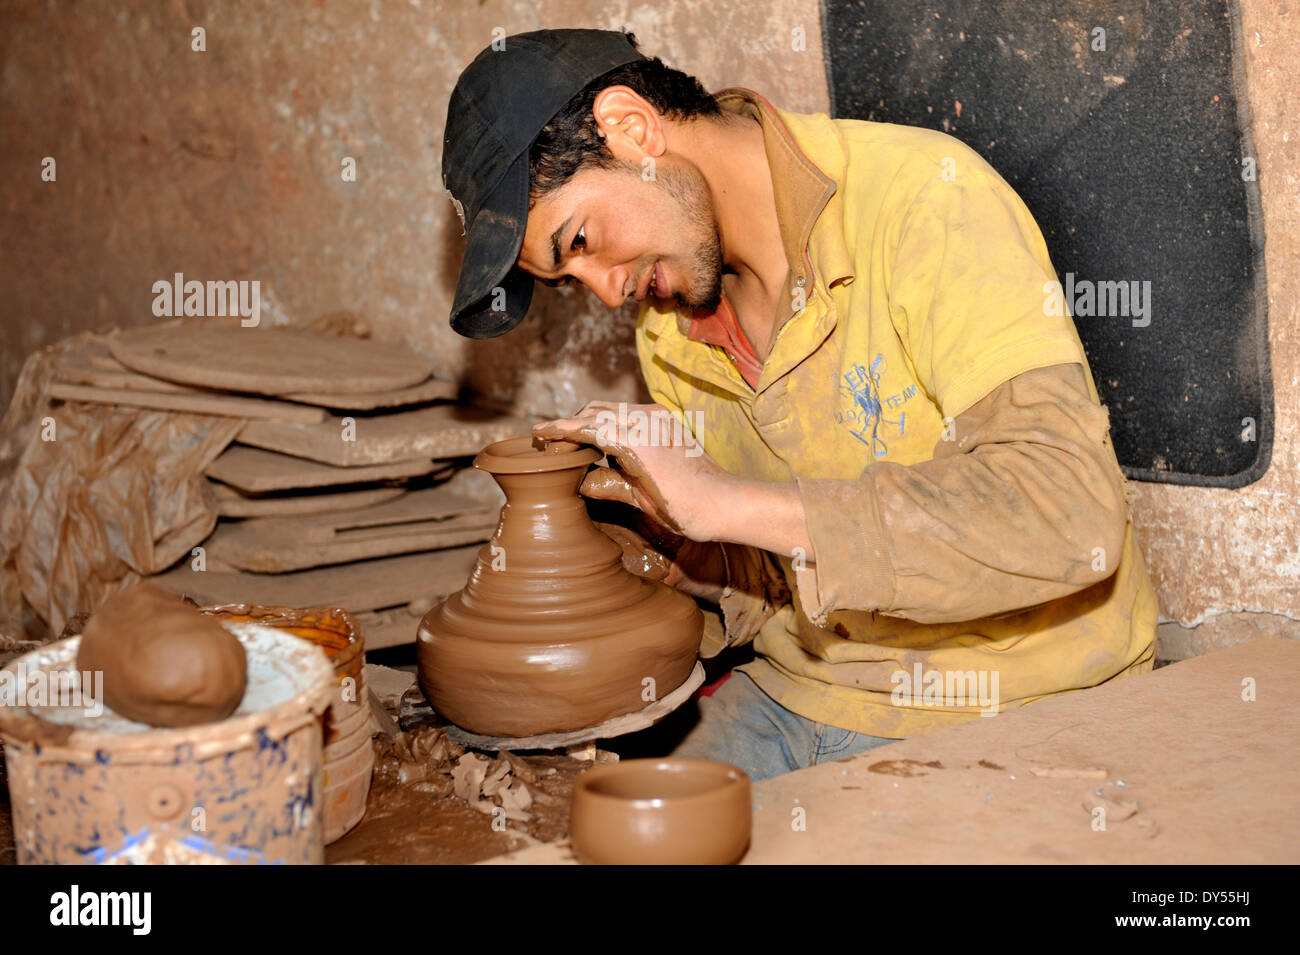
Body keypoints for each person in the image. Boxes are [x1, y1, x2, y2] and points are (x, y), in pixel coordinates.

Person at [441, 28, 1157, 780]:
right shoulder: (669, 326)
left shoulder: (925, 199)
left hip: (1018, 700)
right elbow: (782, 569)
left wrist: (721, 499)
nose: (607, 291)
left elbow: (1071, 513)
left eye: (579, 238)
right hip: (798, 692)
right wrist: (696, 559)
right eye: (569, 278)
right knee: (573, 827)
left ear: (632, 128)